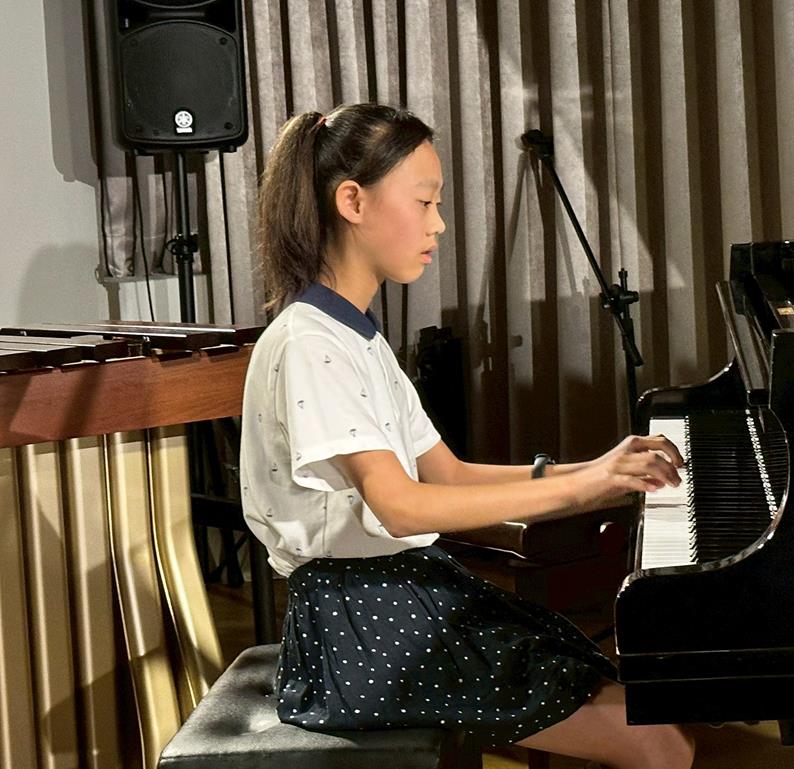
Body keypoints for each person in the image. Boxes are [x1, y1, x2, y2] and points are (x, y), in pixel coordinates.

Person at [239, 102, 695, 769]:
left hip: (399, 592)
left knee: (641, 703)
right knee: (659, 742)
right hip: (360, 626)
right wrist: (587, 488)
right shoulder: (310, 343)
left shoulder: (354, 336)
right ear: (352, 201)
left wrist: (595, 471)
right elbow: (401, 506)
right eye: (424, 202)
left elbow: (447, 474)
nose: (438, 224)